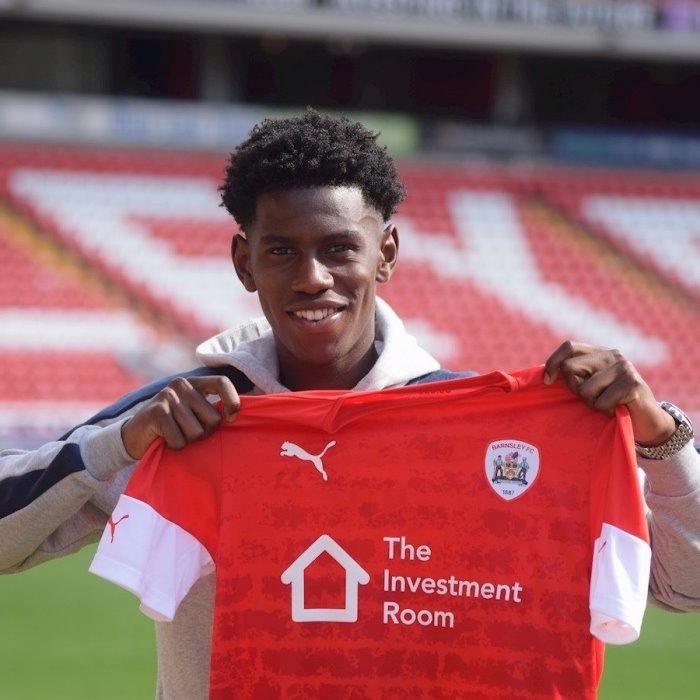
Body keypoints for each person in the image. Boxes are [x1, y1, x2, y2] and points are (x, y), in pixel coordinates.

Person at [1, 110, 698, 699]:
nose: (313, 278)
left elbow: (683, 587)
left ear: (385, 251)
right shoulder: (183, 421)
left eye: (340, 249)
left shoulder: (486, 432)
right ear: (245, 263)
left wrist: (658, 435)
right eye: (281, 252)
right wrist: (117, 445)